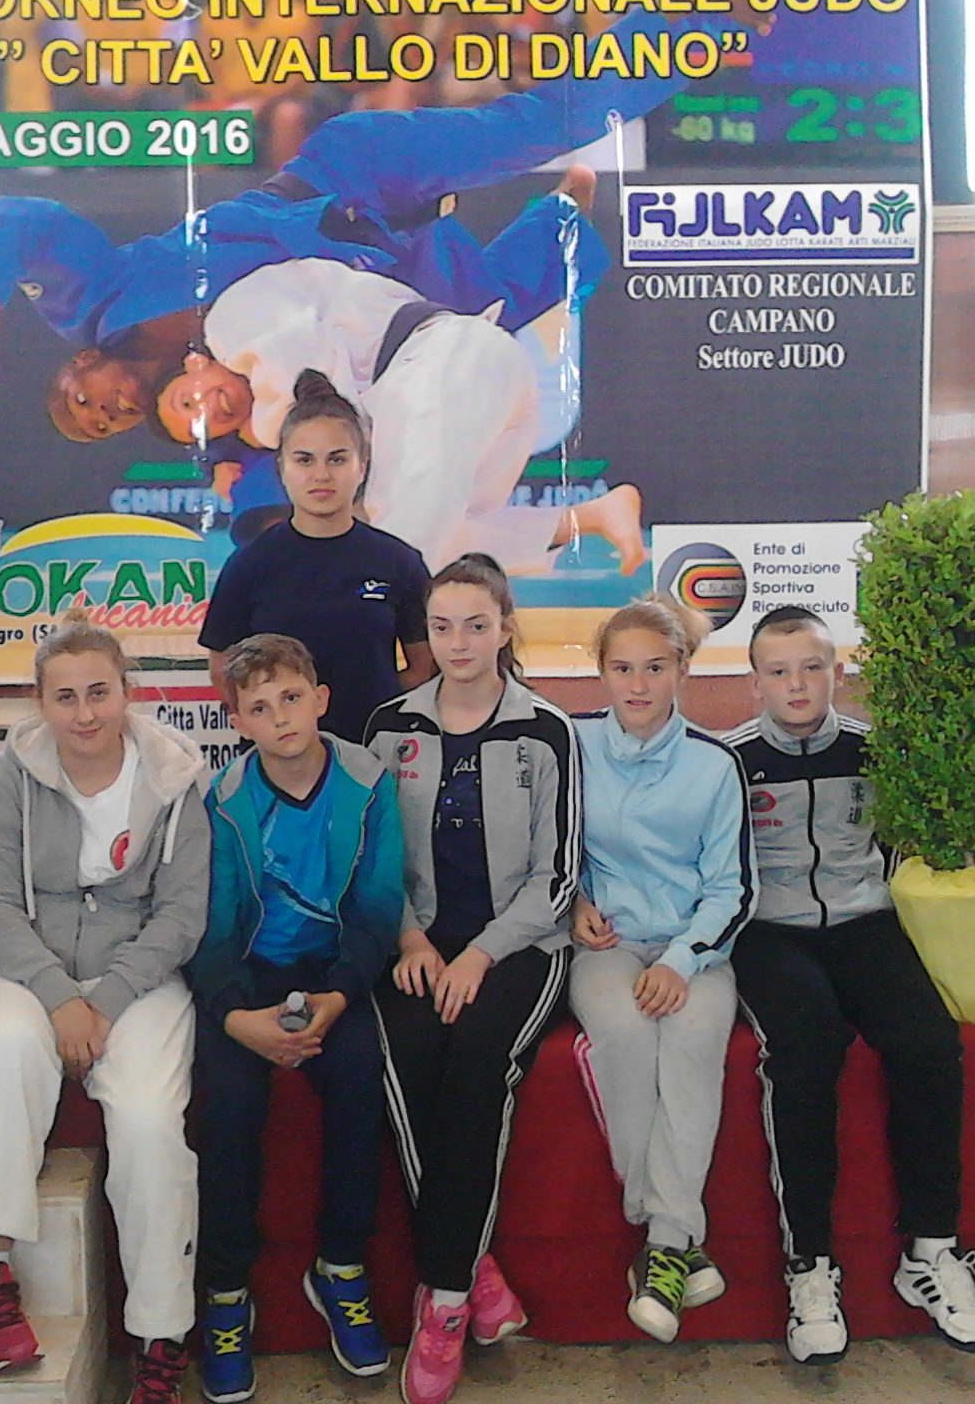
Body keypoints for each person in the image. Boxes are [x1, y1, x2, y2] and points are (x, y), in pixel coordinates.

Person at [0, 0, 773, 432]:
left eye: (85, 402)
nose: (109, 410)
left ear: (76, 368)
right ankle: (563, 215)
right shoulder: (212, 389)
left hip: (348, 175)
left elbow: (20, 219)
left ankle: (688, 8)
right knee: (480, 324)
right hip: (382, 256)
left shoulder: (92, 301)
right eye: (105, 427)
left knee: (542, 128)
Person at [723, 606, 975, 1364]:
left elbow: (906, 842)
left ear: (837, 673)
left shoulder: (875, 751)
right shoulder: (731, 761)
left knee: (930, 1043)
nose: (797, 684)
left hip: (866, 924)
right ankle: (810, 1266)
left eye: (812, 668)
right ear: (754, 683)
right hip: (771, 934)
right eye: (778, 671)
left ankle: (931, 1253)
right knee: (807, 1047)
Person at [0, 614, 210, 1404]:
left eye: (99, 692)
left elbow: (182, 915)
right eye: (65, 697)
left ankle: (160, 1340)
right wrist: (60, 998)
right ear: (40, 702)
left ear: (127, 691)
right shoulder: (10, 777)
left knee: (149, 1123)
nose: (85, 713)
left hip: (140, 979)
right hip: (30, 971)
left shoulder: (175, 776)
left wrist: (110, 998)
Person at [362, 554, 580, 1404]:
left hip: (517, 947)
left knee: (477, 1064)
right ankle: (475, 1265)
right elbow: (373, 858)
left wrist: (482, 954)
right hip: (416, 943)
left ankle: (446, 1300)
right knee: (407, 1065)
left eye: (477, 626)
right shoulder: (389, 726)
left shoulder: (547, 731)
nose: (458, 643)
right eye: (442, 626)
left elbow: (557, 879)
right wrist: (411, 938)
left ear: (505, 629)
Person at [188, 634, 407, 1404]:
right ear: (237, 721)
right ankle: (225, 1291)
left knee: (359, 1076)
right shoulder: (223, 800)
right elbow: (211, 930)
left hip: (334, 974)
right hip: (248, 978)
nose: (279, 717)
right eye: (258, 707)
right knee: (227, 1103)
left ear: (320, 699)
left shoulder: (367, 783)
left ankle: (340, 1264)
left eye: (290, 698)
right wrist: (236, 1018)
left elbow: (378, 910)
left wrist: (339, 997)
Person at [159, 261, 646, 576]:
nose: (209, 411)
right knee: (443, 537)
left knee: (403, 536)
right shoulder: (276, 408)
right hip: (464, 391)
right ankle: (586, 517)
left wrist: (256, 435)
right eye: (205, 427)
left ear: (194, 363)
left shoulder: (230, 322)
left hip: (439, 356)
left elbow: (306, 375)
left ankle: (359, 638)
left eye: (187, 401)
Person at [569, 598, 752, 1343]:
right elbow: (551, 849)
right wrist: (574, 903)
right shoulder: (572, 744)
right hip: (606, 946)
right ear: (602, 671)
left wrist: (682, 961)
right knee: (624, 1033)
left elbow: (732, 890)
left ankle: (665, 1243)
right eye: (622, 668)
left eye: (655, 667)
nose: (638, 684)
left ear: (683, 669)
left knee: (692, 1041)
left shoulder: (715, 765)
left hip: (695, 948)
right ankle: (674, 1236)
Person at [199, 373, 432, 745]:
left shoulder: (399, 562)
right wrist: (275, 726)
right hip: (275, 761)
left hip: (375, 757)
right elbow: (222, 668)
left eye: (337, 459)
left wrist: (377, 714)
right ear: (282, 468)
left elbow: (424, 667)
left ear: (362, 466)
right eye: (304, 460)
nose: (321, 475)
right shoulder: (250, 564)